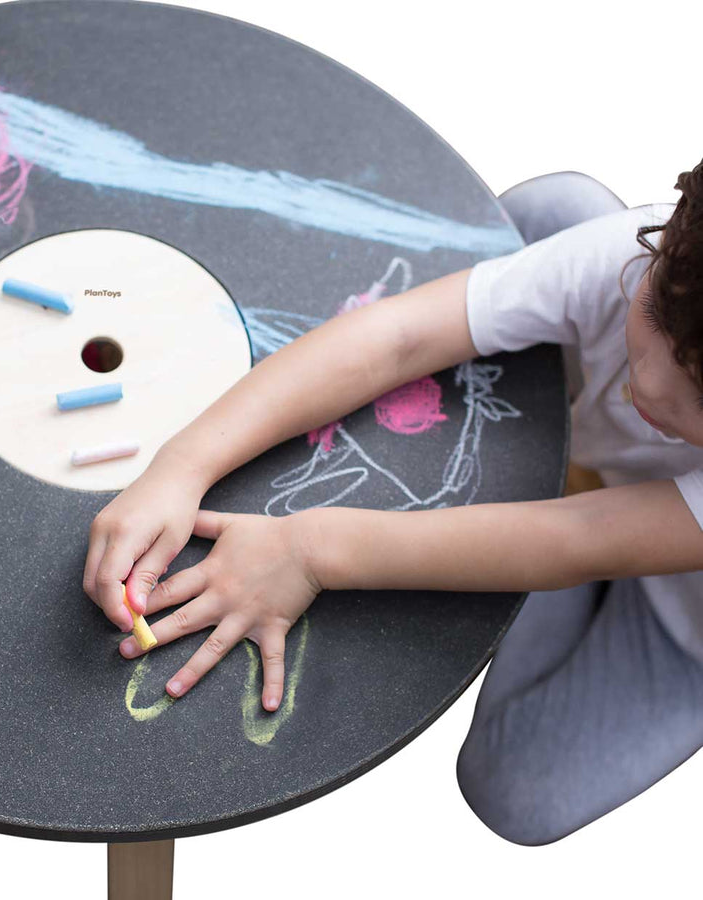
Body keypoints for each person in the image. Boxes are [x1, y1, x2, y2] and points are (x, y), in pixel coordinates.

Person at [82, 163, 703, 843]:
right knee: (559, 209)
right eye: (652, 314)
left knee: (514, 796)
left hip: (683, 623)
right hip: (605, 499)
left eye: (700, 395)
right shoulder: (646, 255)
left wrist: (305, 551)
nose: (649, 384)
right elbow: (401, 336)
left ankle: (577, 506)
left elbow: (579, 541)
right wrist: (182, 465)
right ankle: (576, 467)